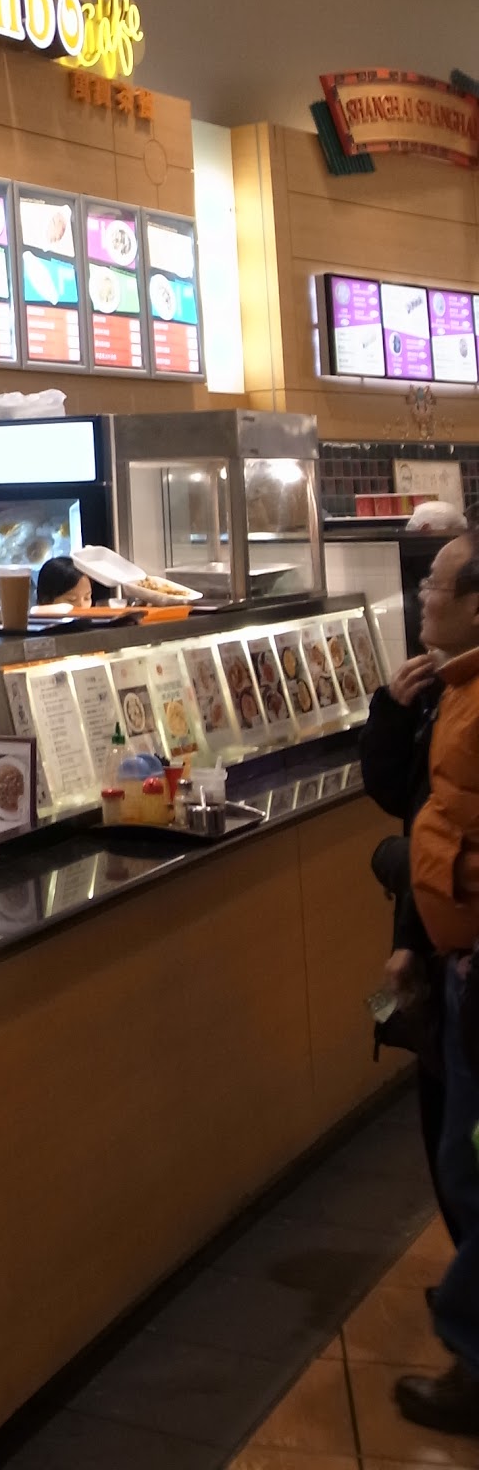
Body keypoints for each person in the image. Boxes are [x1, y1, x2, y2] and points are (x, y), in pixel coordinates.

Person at [394, 533, 479, 1432]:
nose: (423, 593)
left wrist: (432, 877)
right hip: (455, 959)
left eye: (437, 583)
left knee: (472, 1162)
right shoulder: (450, 690)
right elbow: (422, 805)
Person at [361, 638, 450, 1232]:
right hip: (431, 929)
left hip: (450, 939)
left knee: (454, 1128)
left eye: (437, 592)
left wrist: (408, 941)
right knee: (442, 1110)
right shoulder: (437, 689)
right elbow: (395, 791)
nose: (425, 598)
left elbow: (443, 839)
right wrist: (391, 710)